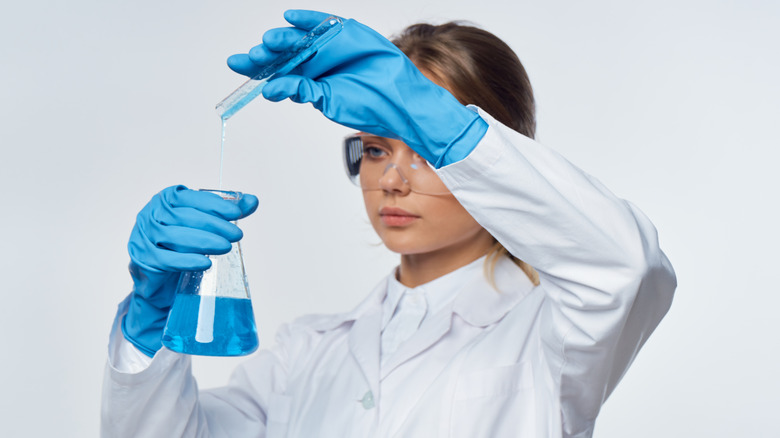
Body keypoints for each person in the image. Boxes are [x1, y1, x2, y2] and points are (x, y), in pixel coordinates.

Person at [101, 9, 676, 438]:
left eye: (425, 150)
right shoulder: (306, 351)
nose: (393, 181)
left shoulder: (553, 330)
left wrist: (446, 128)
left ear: (494, 160)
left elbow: (628, 267)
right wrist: (148, 324)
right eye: (376, 149)